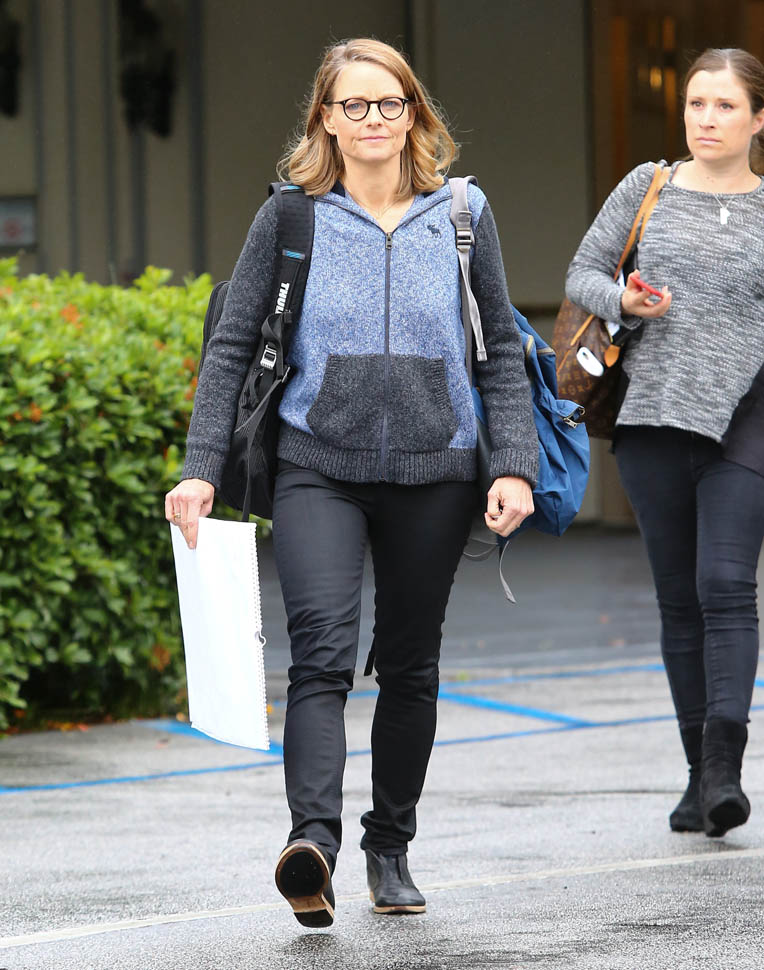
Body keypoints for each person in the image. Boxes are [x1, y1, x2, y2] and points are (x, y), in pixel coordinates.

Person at [165, 38, 538, 926]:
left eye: (389, 103)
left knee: (409, 664)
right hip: (317, 466)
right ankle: (313, 847)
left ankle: (390, 845)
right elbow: (231, 346)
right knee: (321, 655)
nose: (373, 119)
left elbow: (499, 350)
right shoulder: (290, 218)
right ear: (325, 120)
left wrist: (513, 464)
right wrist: (200, 470)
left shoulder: (462, 215)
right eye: (353, 105)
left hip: (436, 472)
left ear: (414, 114)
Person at [566, 48, 764, 839]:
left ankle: (723, 770)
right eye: (695, 104)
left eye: (725, 105)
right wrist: (626, 299)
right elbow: (583, 273)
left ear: (758, 119)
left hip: (747, 415)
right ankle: (696, 778)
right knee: (679, 599)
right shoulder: (646, 187)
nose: (706, 119)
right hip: (652, 414)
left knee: (726, 584)